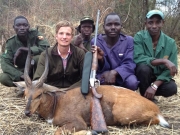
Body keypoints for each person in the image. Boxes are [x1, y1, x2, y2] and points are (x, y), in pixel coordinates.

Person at [134, 10, 178, 100]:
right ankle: (145, 98)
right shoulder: (139, 37)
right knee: (143, 68)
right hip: (143, 77)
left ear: (163, 23)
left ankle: (150, 93)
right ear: (146, 24)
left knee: (172, 88)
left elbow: (170, 70)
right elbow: (138, 58)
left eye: (158, 22)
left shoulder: (171, 43)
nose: (154, 26)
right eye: (150, 22)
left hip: (158, 79)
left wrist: (154, 86)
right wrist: (163, 61)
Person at [91, 13, 139, 90]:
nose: (113, 27)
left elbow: (129, 63)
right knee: (96, 83)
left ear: (121, 26)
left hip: (122, 75)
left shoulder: (129, 40)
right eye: (109, 24)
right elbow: (97, 67)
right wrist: (101, 60)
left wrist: (115, 72)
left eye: (116, 24)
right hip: (104, 74)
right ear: (104, 27)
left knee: (132, 82)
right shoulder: (96, 41)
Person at [0, 15, 50, 87]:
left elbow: (46, 48)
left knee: (38, 58)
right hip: (22, 72)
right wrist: (20, 75)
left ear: (28, 27)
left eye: (25, 25)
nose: (22, 28)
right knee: (3, 77)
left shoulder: (35, 34)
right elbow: (5, 63)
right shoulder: (10, 42)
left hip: (37, 70)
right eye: (18, 25)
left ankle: (37, 84)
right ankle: (24, 87)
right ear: (14, 27)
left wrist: (24, 49)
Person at [33, 20, 85, 88]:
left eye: (68, 34)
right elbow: (37, 80)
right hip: (51, 92)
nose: (64, 37)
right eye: (61, 33)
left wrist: (69, 91)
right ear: (56, 36)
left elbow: (85, 79)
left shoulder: (80, 53)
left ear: (72, 37)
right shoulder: (45, 55)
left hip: (73, 92)